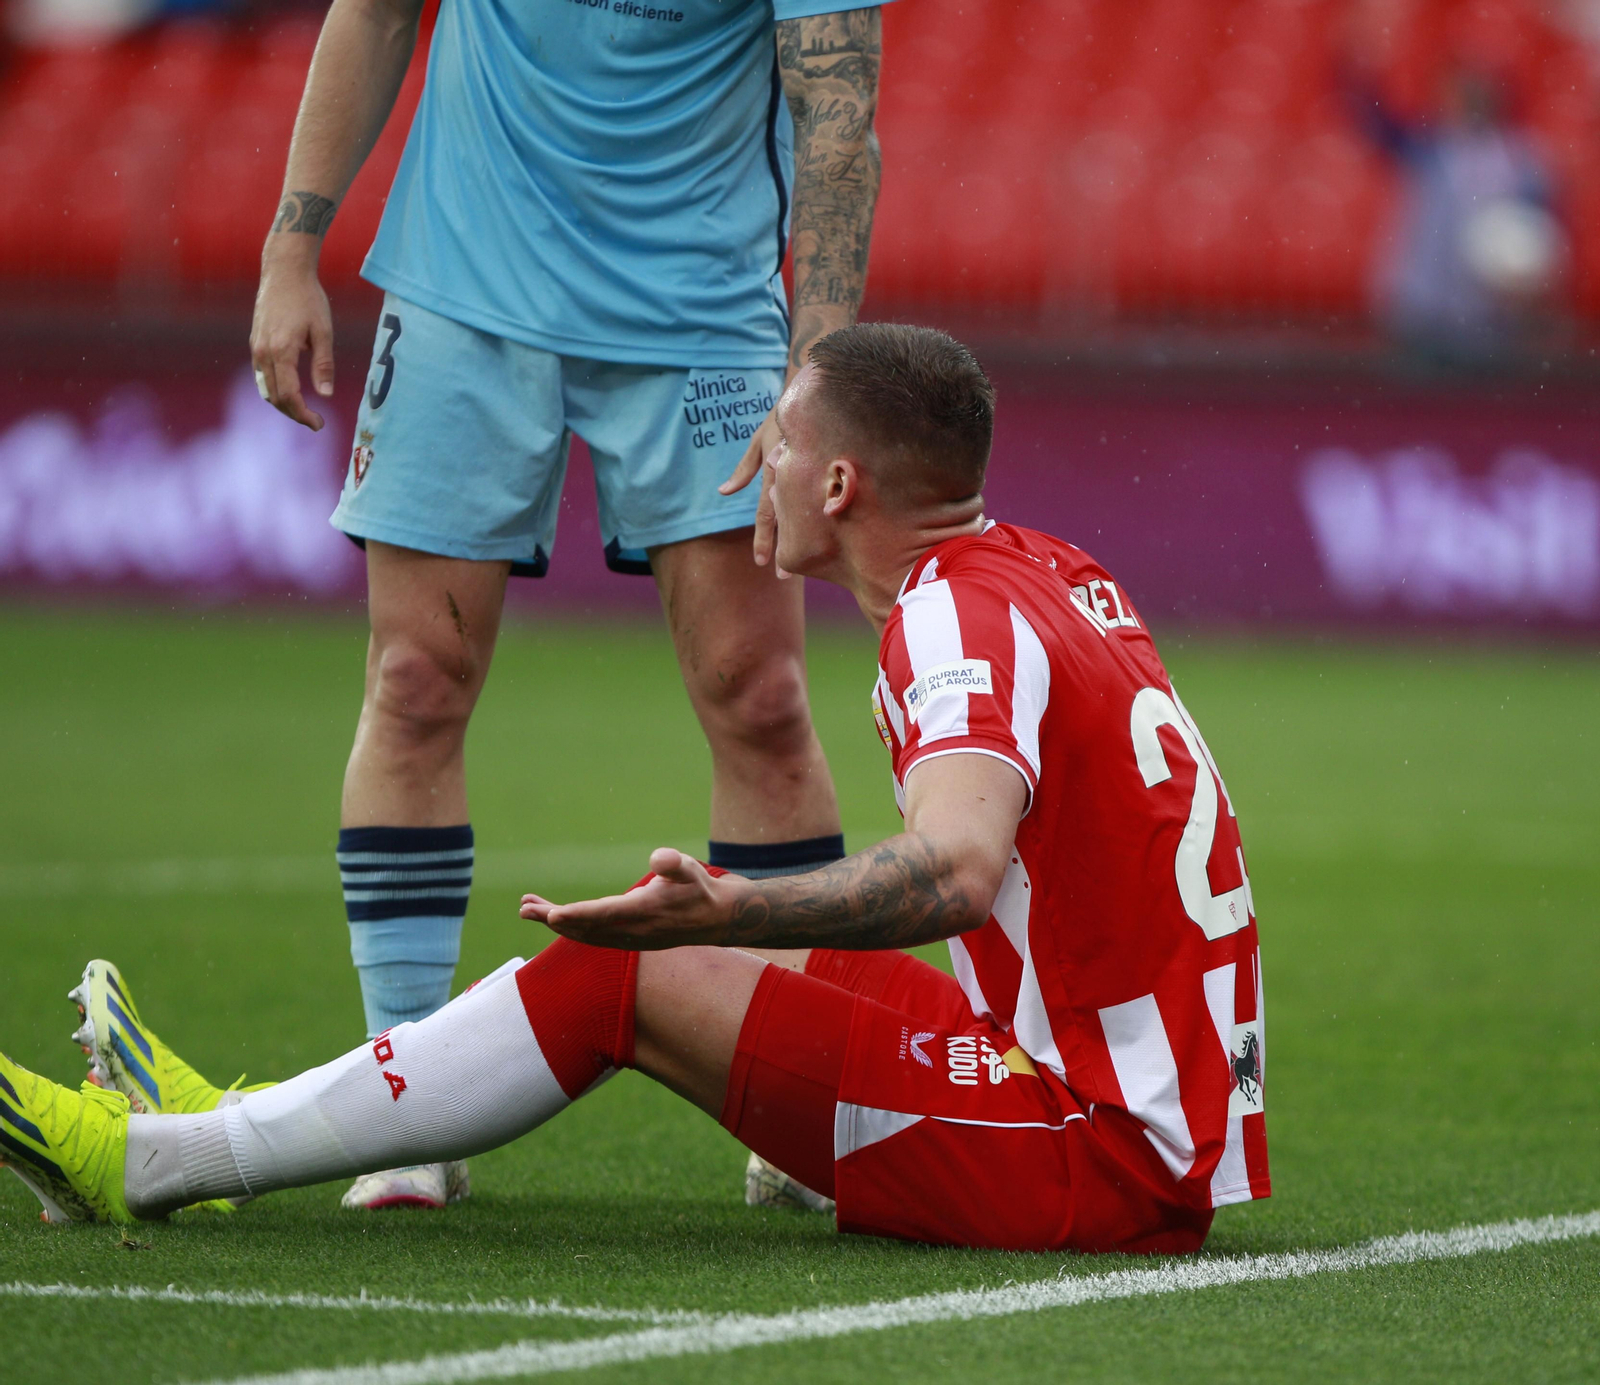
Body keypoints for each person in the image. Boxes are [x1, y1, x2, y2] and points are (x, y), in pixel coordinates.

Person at [0, 325, 1270, 1253]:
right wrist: (738, 918)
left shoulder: (952, 621)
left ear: (838, 485)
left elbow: (954, 870)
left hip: (1095, 1148)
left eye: (779, 440)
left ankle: (157, 1160)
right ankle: (238, 1118)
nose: (758, 463)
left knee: (635, 971)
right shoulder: (1050, 567)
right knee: (728, 945)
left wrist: (731, 908)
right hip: (1142, 1106)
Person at [247, 0, 886, 1207]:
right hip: (463, 288)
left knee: (759, 695)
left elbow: (837, 108)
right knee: (414, 679)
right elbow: (375, 14)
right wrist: (292, 249)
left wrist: (816, 370)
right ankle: (405, 1106)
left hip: (699, 310)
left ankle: (797, 1102)